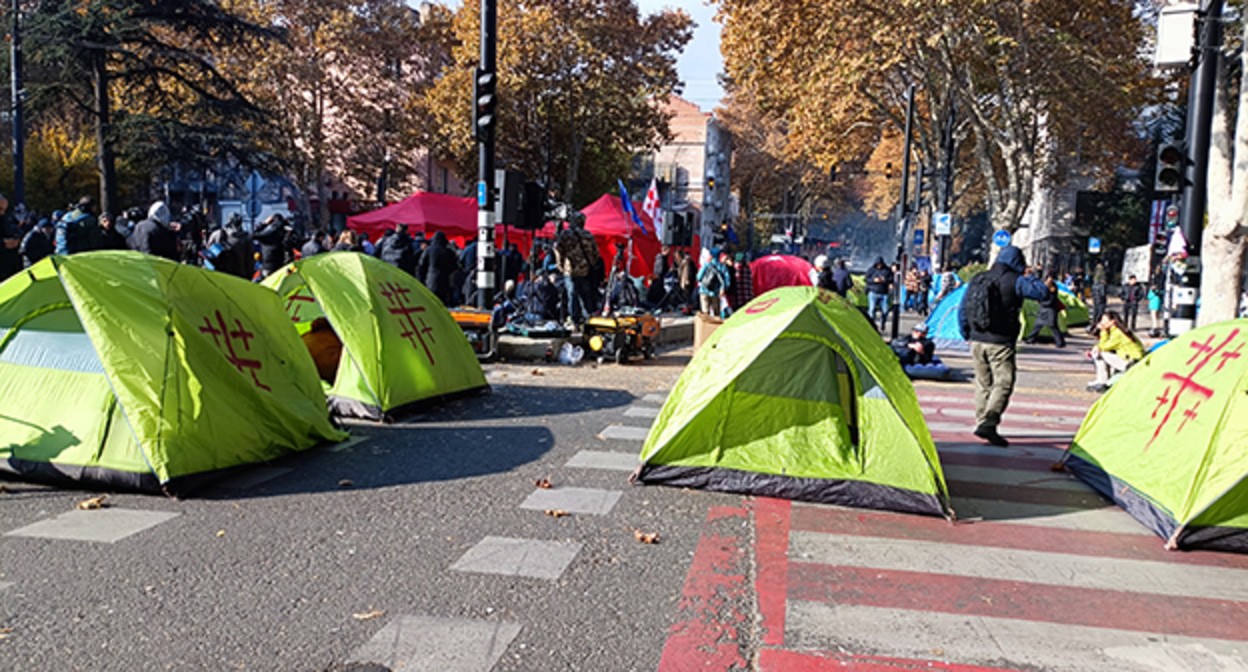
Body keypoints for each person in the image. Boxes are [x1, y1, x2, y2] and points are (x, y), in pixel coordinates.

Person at [958, 245, 1051, 447]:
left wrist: (966, 332)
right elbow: (1042, 292)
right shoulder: (1016, 281)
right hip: (1000, 340)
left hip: (976, 339)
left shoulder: (979, 278)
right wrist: (1031, 275)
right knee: (1004, 382)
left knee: (983, 383)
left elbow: (964, 307)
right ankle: (989, 423)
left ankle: (982, 421)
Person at [553, 216, 599, 326]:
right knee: (586, 295)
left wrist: (560, 265)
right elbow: (596, 253)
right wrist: (590, 264)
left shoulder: (566, 234)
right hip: (585, 270)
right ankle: (589, 319)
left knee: (572, 295)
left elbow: (558, 249)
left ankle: (575, 321)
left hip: (570, 270)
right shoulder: (588, 235)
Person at [1086, 311, 1145, 393]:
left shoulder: (1117, 333)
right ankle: (1102, 379)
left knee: (1100, 354)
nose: (1101, 323)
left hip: (1132, 360)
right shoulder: (1117, 330)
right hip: (1131, 357)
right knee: (1099, 352)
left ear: (1112, 321)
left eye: (1104, 320)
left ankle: (1103, 379)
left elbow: (1104, 347)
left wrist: (1103, 331)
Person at [1022, 275, 1066, 348]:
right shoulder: (1044, 287)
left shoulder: (1053, 288)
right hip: (1044, 308)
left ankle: (1060, 342)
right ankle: (1030, 339)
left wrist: (1041, 302)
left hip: (1051, 309)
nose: (1049, 281)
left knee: (1053, 326)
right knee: (1038, 325)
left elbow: (1051, 301)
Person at [417, 231, 459, 306]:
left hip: (430, 280)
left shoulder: (429, 250)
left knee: (431, 303)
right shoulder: (448, 251)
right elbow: (454, 266)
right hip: (445, 280)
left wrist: (421, 280)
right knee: (442, 303)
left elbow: (421, 266)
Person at [697, 248, 731, 317]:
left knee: (705, 313)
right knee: (716, 314)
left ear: (711, 255)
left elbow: (699, 277)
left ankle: (705, 327)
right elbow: (727, 280)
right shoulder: (722, 266)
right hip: (716, 292)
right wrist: (723, 289)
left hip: (704, 291)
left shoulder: (706, 265)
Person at [865, 257, 892, 332]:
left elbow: (891, 279)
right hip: (873, 292)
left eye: (880, 264)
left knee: (885, 310)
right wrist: (874, 280)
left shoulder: (887, 270)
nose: (879, 265)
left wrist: (885, 280)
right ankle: (871, 325)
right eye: (877, 264)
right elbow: (866, 279)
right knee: (872, 310)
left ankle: (883, 323)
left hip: (884, 293)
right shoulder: (871, 270)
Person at [1089, 262, 1107, 332]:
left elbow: (1092, 294)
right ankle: (1097, 328)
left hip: (1096, 301)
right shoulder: (1101, 285)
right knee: (1100, 314)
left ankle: (1093, 326)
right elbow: (1103, 294)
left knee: (1095, 313)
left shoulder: (1094, 285)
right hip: (1100, 301)